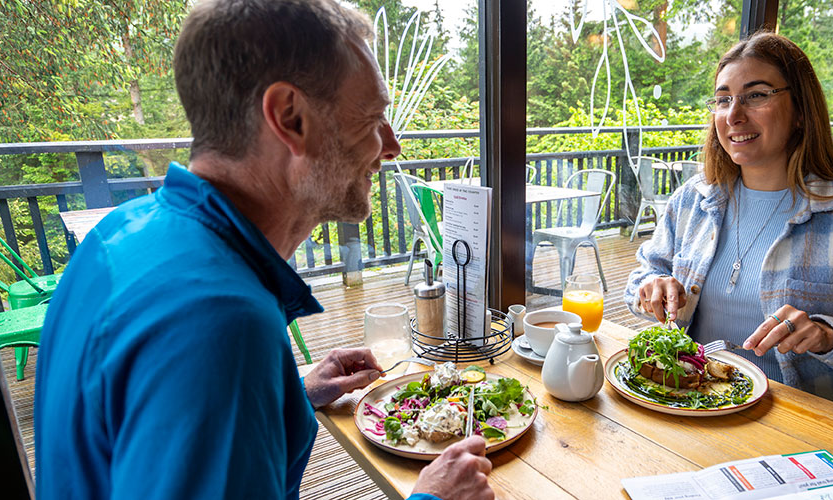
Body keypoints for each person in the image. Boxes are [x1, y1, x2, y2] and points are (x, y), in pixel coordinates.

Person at [33, 1, 493, 498]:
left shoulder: (122, 231)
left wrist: (284, 396)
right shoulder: (219, 321)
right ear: (290, 117)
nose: (391, 143)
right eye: (373, 117)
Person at [624, 32, 833, 416]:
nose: (734, 115)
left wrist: (828, 336)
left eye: (756, 95)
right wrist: (651, 287)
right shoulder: (694, 198)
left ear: (801, 111)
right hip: (692, 406)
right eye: (723, 100)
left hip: (811, 422)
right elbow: (643, 276)